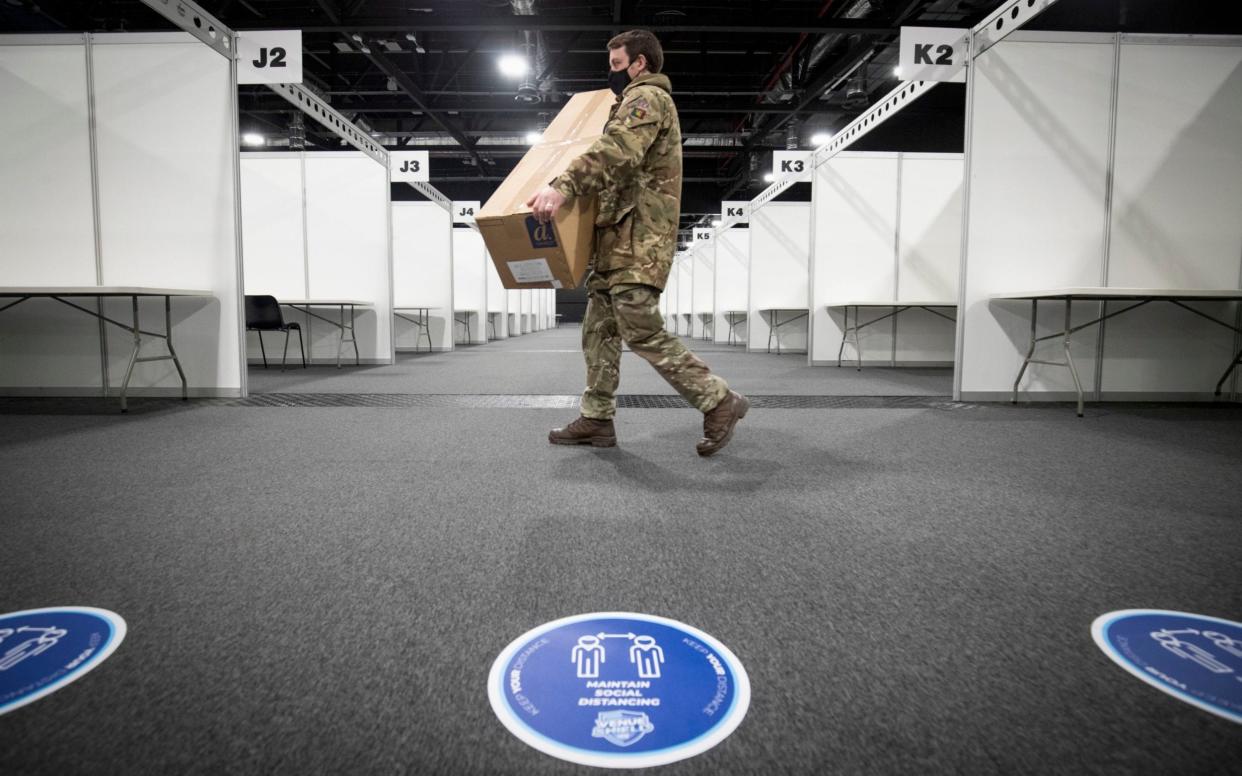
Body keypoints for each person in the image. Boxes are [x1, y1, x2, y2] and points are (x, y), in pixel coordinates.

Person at [526, 29, 748, 457]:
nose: (611, 74)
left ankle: (718, 399)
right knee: (598, 332)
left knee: (639, 327)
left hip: (639, 238)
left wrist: (564, 185)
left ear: (639, 63)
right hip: (615, 241)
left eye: (615, 65)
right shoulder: (625, 101)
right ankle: (597, 418)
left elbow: (620, 150)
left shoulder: (647, 98)